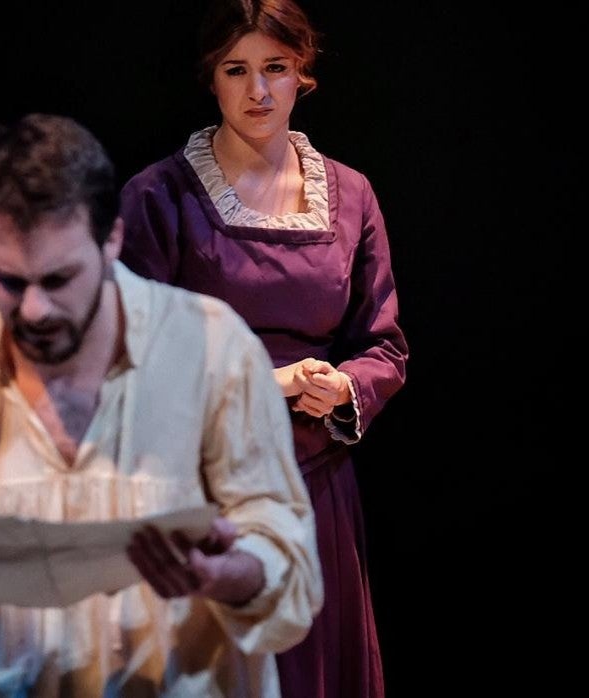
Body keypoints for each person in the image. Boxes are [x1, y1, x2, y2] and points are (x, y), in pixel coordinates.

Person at [0, 113, 322, 697]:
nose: (33, 309)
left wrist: (224, 575)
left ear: (111, 239)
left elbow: (285, 554)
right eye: (7, 280)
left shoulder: (213, 347)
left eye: (58, 280)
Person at [118, 1, 408, 696]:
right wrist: (262, 383)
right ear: (211, 80)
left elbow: (384, 344)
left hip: (316, 487)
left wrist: (342, 388)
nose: (257, 90)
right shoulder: (159, 197)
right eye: (237, 70)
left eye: (275, 68)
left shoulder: (351, 196)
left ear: (301, 76)